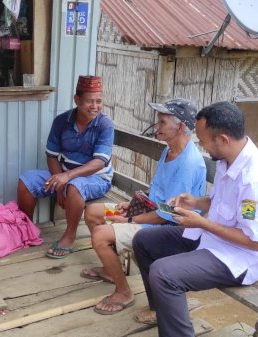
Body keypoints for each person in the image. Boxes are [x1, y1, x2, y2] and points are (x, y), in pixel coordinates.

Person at [132, 101, 258, 336]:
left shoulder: (254, 180)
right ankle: (160, 309)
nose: (202, 147)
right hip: (214, 238)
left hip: (241, 258)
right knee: (144, 241)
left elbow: (256, 242)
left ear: (223, 139)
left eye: (203, 141)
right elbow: (220, 202)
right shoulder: (228, 159)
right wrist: (194, 202)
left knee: (164, 274)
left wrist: (202, 222)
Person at [82, 99, 207, 315]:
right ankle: (112, 269)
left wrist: (130, 220)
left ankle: (123, 292)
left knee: (100, 235)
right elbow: (157, 191)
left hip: (163, 226)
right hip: (148, 212)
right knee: (93, 212)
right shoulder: (169, 150)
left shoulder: (188, 164)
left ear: (180, 127)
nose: (156, 126)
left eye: (162, 122)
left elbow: (168, 214)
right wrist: (132, 204)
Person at [17, 75, 114, 259]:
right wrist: (60, 181)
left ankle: (69, 236)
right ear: (77, 100)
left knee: (75, 187)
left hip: (97, 178)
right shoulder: (62, 121)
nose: (95, 106)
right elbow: (52, 155)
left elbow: (99, 162)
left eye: (99, 101)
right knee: (26, 181)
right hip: (64, 173)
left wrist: (66, 178)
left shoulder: (104, 124)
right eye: (89, 101)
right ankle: (26, 230)